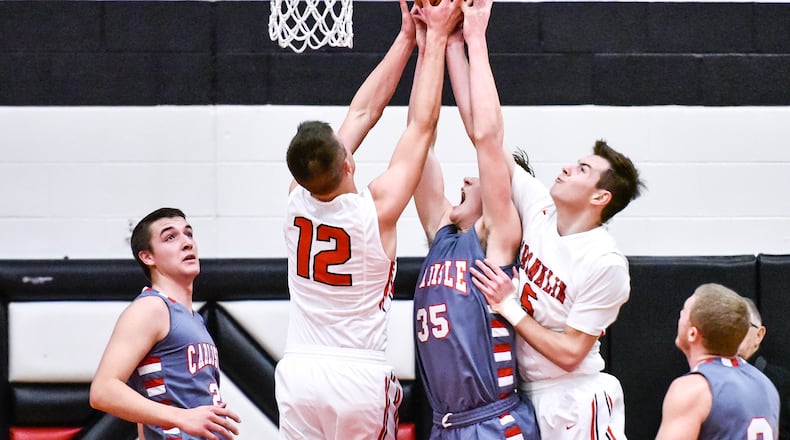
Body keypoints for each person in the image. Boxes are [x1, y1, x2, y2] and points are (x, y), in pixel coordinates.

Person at [275, 1, 461, 438]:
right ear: (349, 165)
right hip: (356, 374)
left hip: (299, 369)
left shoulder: (294, 199)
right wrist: (431, 40)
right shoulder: (375, 209)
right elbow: (420, 124)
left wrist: (403, 39)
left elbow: (361, 115)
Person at [410, 0, 539, 438]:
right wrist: (432, 43)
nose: (469, 176)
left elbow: (486, 137)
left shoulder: (498, 238)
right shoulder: (442, 233)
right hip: (445, 425)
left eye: (481, 175)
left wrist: (475, 41)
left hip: (493, 423)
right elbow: (418, 140)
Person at [468, 135, 644, 435]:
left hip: (574, 395)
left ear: (600, 197)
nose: (567, 168)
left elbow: (570, 354)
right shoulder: (541, 209)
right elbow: (488, 138)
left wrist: (509, 308)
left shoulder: (604, 261)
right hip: (525, 394)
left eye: (582, 169)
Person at [90, 207, 240, 440]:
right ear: (148, 256)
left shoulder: (193, 319)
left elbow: (148, 397)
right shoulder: (152, 308)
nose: (187, 243)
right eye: (170, 237)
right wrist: (181, 417)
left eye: (188, 234)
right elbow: (103, 390)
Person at [655, 283, 779, 439]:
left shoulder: (692, 389)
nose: (679, 315)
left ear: (692, 334)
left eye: (683, 313)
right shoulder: (766, 385)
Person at [738, 296, 790, 438]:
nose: (732, 332)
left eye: (740, 324)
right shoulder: (710, 378)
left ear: (759, 335)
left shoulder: (782, 381)